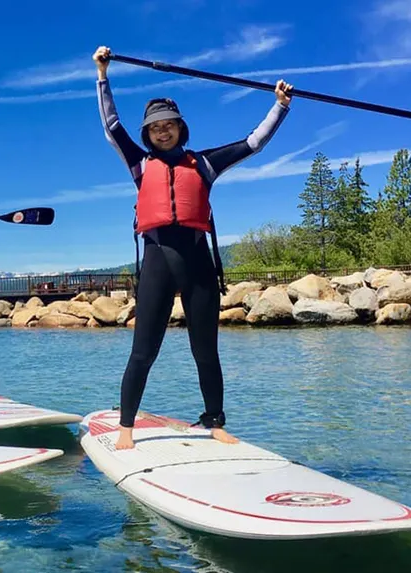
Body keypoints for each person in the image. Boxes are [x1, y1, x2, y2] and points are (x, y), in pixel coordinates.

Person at [92, 45, 292, 450]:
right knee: (143, 351)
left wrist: (280, 106)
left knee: (206, 350)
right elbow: (112, 126)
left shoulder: (203, 163)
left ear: (181, 128)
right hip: (157, 260)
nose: (161, 131)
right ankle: (126, 427)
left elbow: (253, 143)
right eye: (154, 127)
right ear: (148, 134)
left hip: (198, 262)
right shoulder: (139, 163)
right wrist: (102, 75)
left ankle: (213, 421)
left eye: (168, 125)